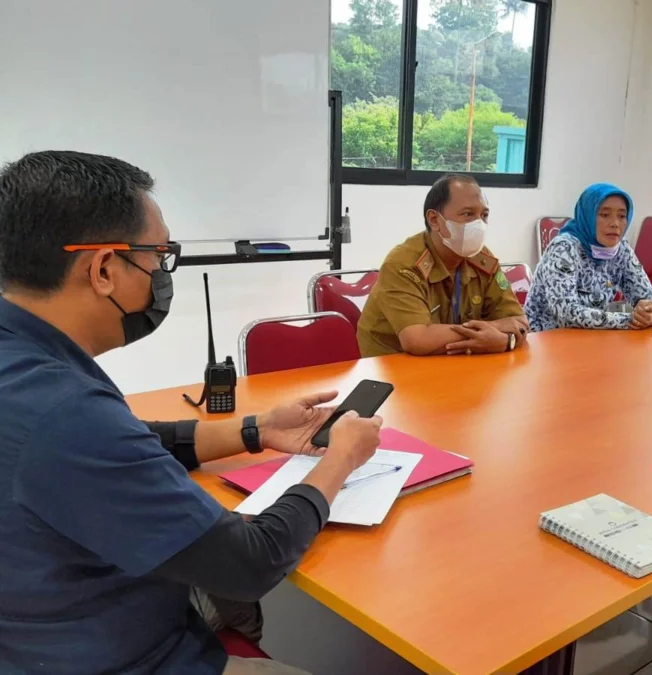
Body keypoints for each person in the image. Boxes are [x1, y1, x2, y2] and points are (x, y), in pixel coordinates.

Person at [0, 151, 384, 675]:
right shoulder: (64, 412)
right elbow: (250, 563)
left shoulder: (26, 366)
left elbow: (127, 443)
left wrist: (256, 430)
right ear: (105, 269)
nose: (161, 275)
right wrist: (339, 462)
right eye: (158, 258)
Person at [357, 174, 529, 357]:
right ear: (434, 219)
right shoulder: (403, 265)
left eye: (484, 215)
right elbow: (418, 340)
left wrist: (505, 341)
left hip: (456, 365)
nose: (479, 224)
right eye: (468, 214)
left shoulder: (482, 259)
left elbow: (519, 322)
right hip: (392, 370)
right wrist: (493, 328)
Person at [524, 183, 652, 332]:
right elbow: (566, 313)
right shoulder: (564, 248)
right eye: (604, 215)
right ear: (588, 215)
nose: (615, 224)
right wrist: (630, 319)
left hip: (592, 338)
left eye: (622, 216)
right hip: (546, 339)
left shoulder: (622, 250)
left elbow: (650, 297)